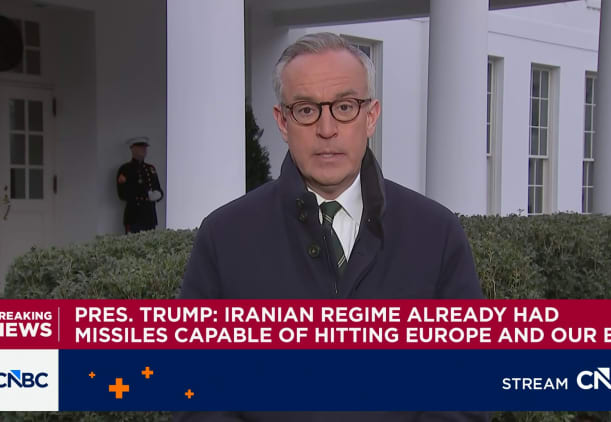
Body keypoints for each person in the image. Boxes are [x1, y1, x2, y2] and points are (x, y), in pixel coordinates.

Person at [179, 33, 486, 421]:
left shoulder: (436, 233)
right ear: (283, 122)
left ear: (370, 116)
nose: (327, 129)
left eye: (344, 107)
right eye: (306, 110)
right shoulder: (224, 237)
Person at [116, 137, 163, 233]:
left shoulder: (150, 168)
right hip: (134, 215)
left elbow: (158, 188)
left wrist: (158, 195)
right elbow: (122, 194)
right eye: (140, 147)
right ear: (133, 149)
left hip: (149, 216)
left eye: (145, 147)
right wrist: (145, 194)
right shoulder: (126, 169)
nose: (144, 150)